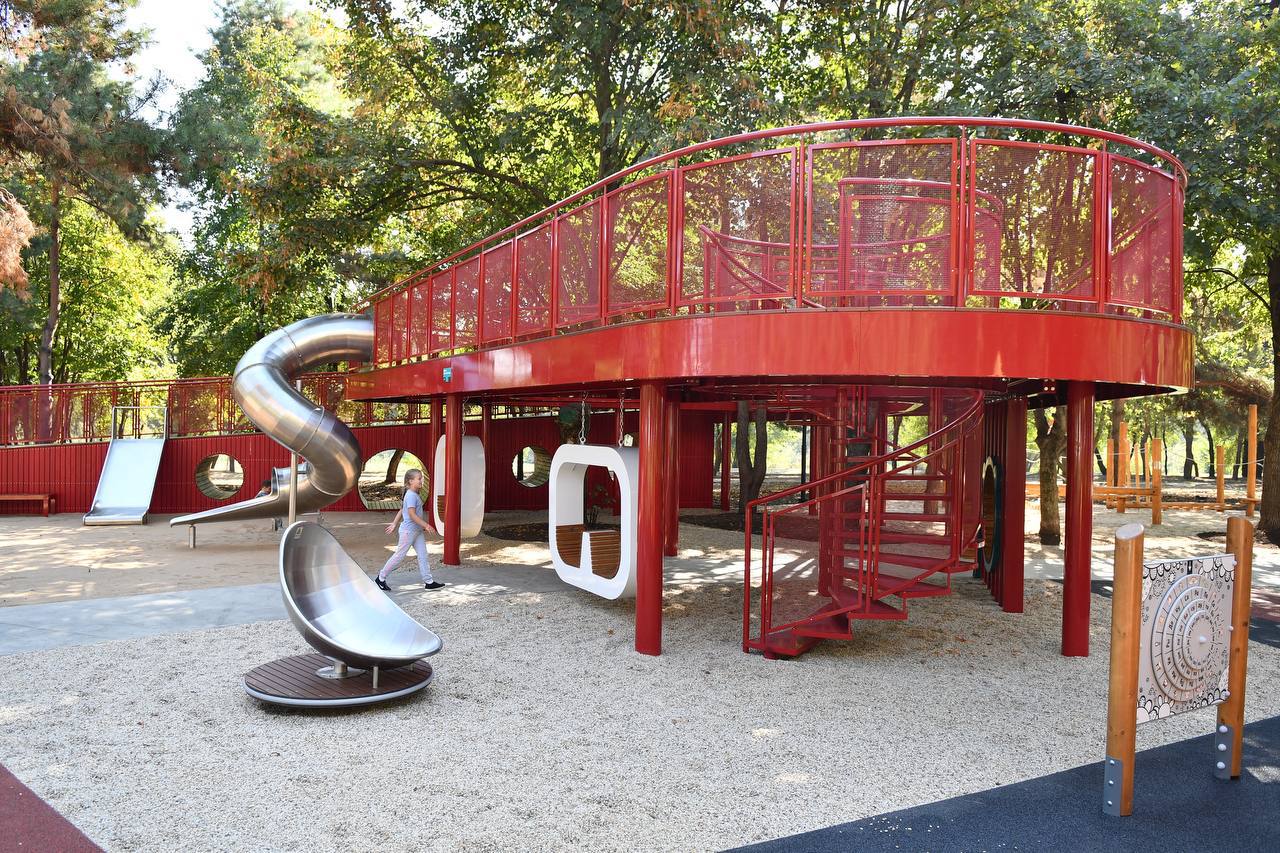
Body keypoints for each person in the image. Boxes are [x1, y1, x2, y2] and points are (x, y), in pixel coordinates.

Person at [375, 468, 445, 591]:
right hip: (408, 532)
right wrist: (426, 525)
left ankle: (428, 582)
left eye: (421, 478)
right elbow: (412, 515)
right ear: (410, 481)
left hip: (417, 532)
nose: (421, 481)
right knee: (399, 556)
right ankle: (380, 578)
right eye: (419, 479)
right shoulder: (411, 495)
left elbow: (402, 509)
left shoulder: (412, 494)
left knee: (423, 555)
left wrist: (394, 523)